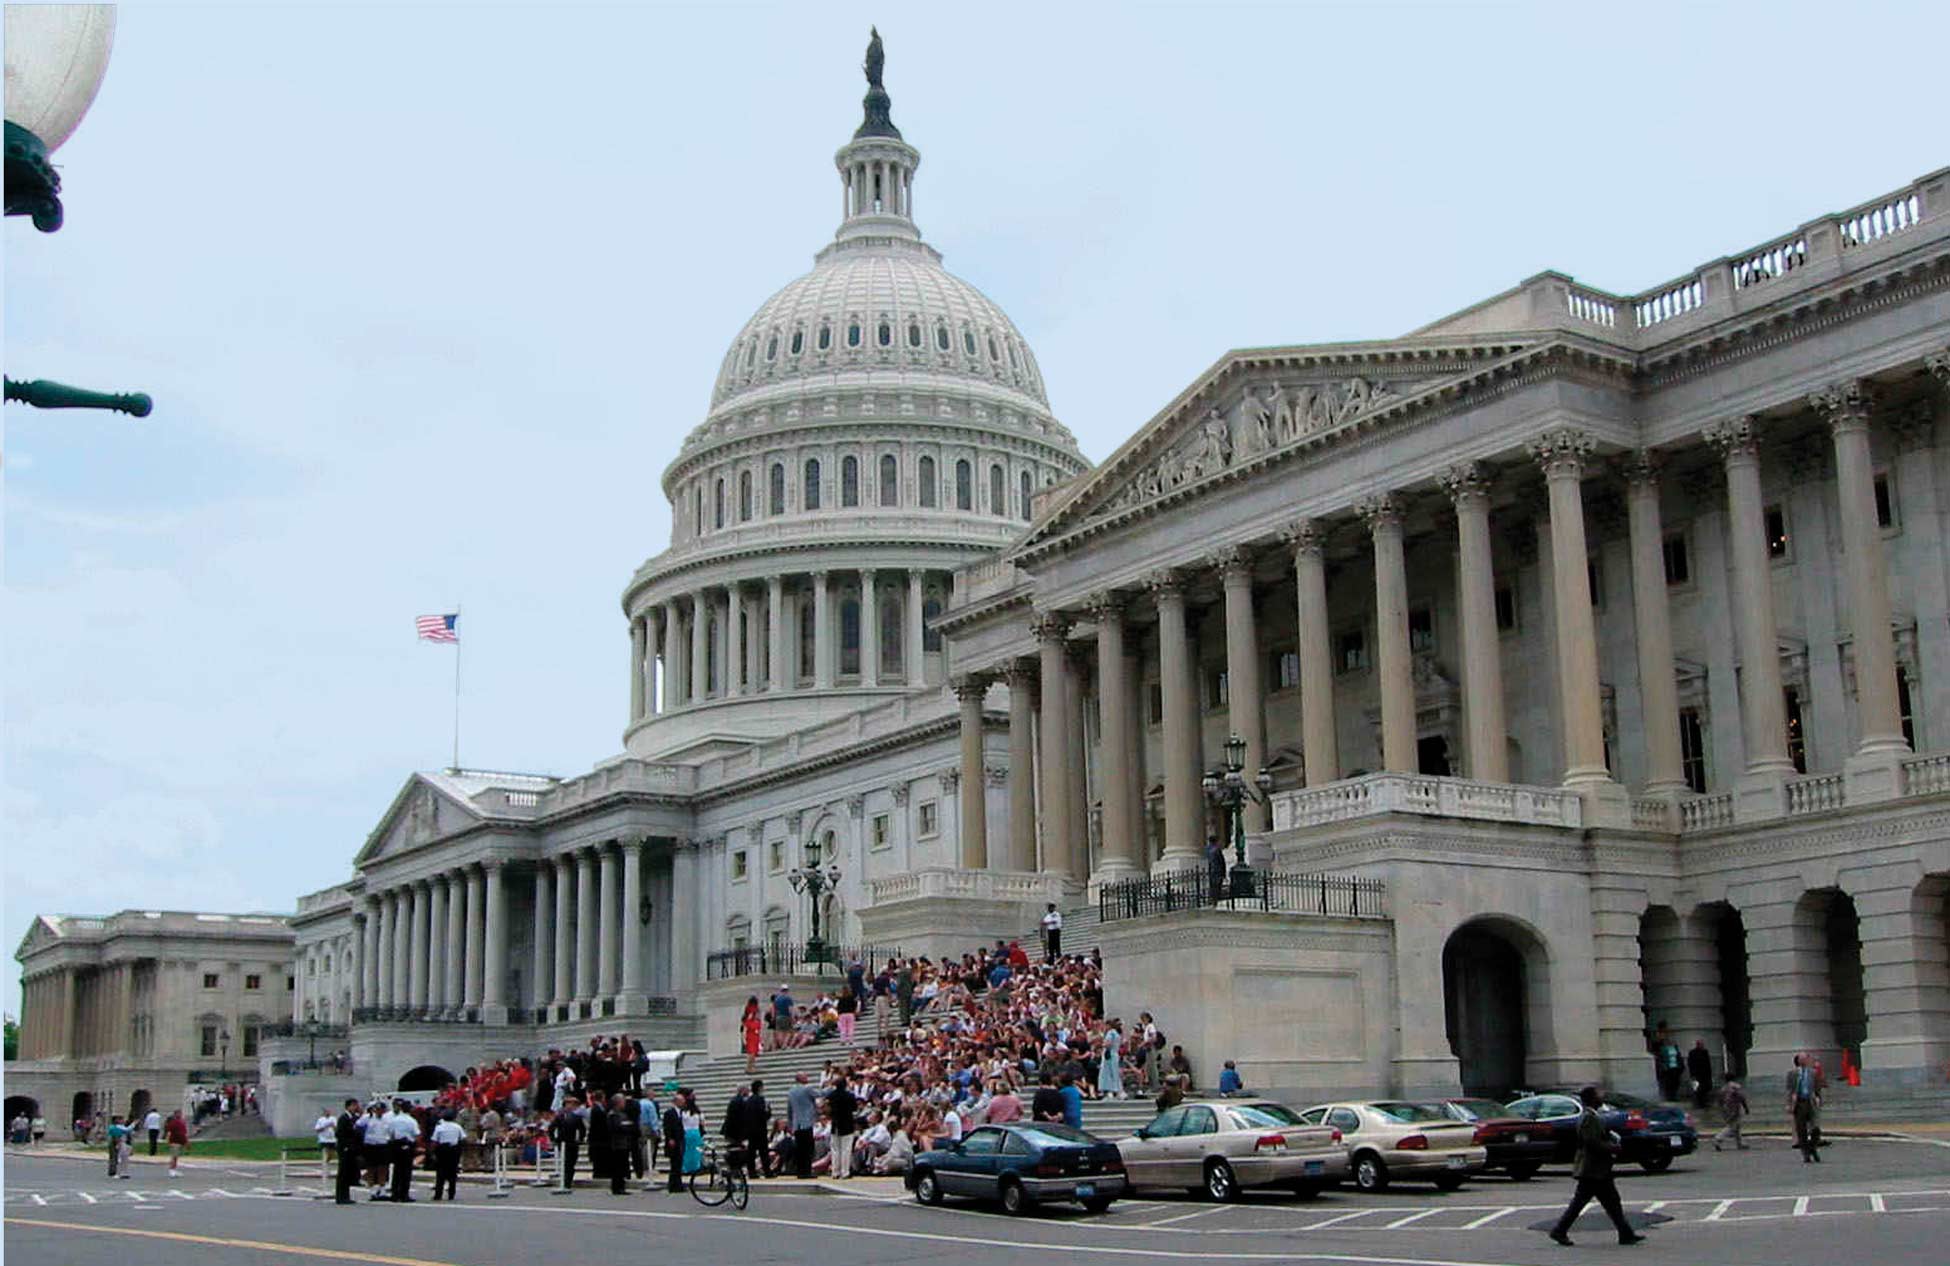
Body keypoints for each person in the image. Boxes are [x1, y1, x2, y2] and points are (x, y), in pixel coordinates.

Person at [1548, 1086, 1646, 1247]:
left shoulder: (1593, 1116)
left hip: (1599, 1168)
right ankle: (1559, 1230)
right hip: (1592, 1169)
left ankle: (1626, 1233)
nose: (1602, 1097)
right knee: (1581, 1202)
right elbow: (1591, 1142)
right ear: (1592, 1099)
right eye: (1599, 1095)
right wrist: (1612, 1147)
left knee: (1612, 1202)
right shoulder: (1588, 1117)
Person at [1786, 1052, 1825, 1162]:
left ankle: (1812, 1147)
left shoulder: (1813, 1073)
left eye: (1807, 1058)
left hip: (1810, 1101)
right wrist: (1789, 1104)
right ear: (1798, 1061)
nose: (1806, 1060)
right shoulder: (1792, 1074)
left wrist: (1819, 1099)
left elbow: (1817, 1088)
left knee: (1815, 1128)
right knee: (1801, 1129)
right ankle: (1805, 1153)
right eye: (1803, 1058)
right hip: (1799, 1102)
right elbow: (1789, 1090)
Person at [387, 1099, 421, 1202]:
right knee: (406, 1171)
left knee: (397, 1170)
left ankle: (395, 1193)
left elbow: (390, 1133)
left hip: (396, 1144)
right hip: (407, 1144)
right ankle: (404, 1194)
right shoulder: (411, 1120)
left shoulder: (394, 1120)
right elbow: (416, 1134)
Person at [551, 1095, 585, 1190]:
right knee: (566, 1162)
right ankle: (566, 1182)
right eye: (569, 1104)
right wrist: (554, 1139)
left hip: (572, 1143)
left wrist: (580, 1139)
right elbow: (552, 1128)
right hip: (563, 1142)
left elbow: (582, 1129)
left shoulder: (576, 1117)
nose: (571, 1106)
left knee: (571, 1162)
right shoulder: (559, 1117)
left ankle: (568, 1180)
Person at [788, 1072, 818, 1179]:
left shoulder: (791, 1092)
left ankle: (800, 1171)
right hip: (806, 1122)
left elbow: (790, 1110)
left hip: (797, 1124)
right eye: (805, 1076)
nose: (807, 1078)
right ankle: (807, 1171)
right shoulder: (807, 1089)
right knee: (808, 1148)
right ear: (801, 1079)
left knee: (799, 1149)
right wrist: (831, 1087)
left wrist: (790, 1124)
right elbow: (819, 1094)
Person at [606, 1094, 638, 1195]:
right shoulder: (613, 1114)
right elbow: (617, 1127)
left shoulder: (622, 1114)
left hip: (624, 1143)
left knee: (623, 1165)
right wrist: (626, 1126)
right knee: (617, 1166)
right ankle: (617, 1187)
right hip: (617, 1144)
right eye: (623, 1101)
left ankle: (621, 1185)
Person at [333, 1098, 363, 1204]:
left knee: (348, 1173)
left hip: (352, 1149)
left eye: (356, 1105)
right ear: (348, 1106)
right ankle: (341, 1196)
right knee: (343, 1173)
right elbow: (339, 1134)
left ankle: (346, 1195)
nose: (356, 1107)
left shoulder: (354, 1118)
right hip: (345, 1148)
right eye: (354, 1105)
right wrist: (346, 1145)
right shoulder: (343, 1118)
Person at [828, 1074, 858, 1179]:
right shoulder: (850, 1096)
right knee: (846, 1149)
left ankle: (835, 1171)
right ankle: (845, 1171)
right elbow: (855, 1108)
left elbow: (828, 1108)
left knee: (835, 1149)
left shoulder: (831, 1095)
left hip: (835, 1123)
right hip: (847, 1124)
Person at [430, 1111, 464, 1201]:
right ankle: (451, 1194)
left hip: (442, 1150)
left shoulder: (439, 1127)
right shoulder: (457, 1127)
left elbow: (434, 1141)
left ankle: (438, 1194)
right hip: (453, 1150)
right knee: (452, 1173)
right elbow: (462, 1138)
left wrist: (432, 1152)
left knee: (440, 1173)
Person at [1712, 1077, 1750, 1151]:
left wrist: (1721, 1108)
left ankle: (1740, 1143)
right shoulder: (1735, 1086)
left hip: (1726, 1109)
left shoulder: (1723, 1088)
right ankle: (1718, 1139)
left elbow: (1719, 1099)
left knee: (1737, 1127)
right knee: (1731, 1127)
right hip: (1735, 1108)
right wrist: (1746, 1108)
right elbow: (1741, 1097)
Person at [745, 1079, 772, 1177]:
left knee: (751, 1151)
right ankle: (767, 1171)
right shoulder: (760, 1100)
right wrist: (769, 1111)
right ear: (759, 1088)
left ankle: (751, 1171)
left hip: (751, 1130)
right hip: (760, 1129)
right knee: (763, 1151)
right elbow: (763, 1115)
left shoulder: (748, 1100)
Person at [661, 1093, 686, 1193]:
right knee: (674, 1164)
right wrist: (670, 1138)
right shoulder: (669, 1113)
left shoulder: (682, 1112)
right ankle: (673, 1185)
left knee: (679, 1164)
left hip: (680, 1140)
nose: (683, 1102)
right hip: (673, 1141)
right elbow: (666, 1127)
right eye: (681, 1101)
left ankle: (678, 1184)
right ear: (676, 1102)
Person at [1652, 1023, 1682, 1101]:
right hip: (1666, 1068)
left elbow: (1678, 1055)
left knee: (1675, 1083)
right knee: (1668, 1083)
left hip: (1675, 1067)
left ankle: (1673, 1096)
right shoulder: (1659, 1044)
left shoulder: (1673, 1046)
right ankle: (1668, 1096)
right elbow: (1657, 1053)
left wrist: (1680, 1066)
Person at [1098, 1019, 1125, 1099]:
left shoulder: (1110, 1033)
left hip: (1109, 1055)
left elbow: (1108, 1044)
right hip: (1115, 1054)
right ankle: (1117, 1089)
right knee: (1114, 1072)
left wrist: (1101, 1044)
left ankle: (1110, 1089)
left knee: (1107, 1072)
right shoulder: (1117, 1034)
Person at [1687, 1039, 1714, 1109]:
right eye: (1701, 1044)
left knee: (1705, 1089)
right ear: (1697, 1045)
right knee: (1697, 1089)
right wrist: (1692, 1074)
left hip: (1705, 1075)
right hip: (1696, 1074)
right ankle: (1698, 1103)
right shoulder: (1692, 1053)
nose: (1702, 1046)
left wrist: (1710, 1074)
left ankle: (1704, 1103)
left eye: (1702, 1044)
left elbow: (1708, 1064)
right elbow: (1690, 1064)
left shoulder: (1705, 1052)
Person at [163, 1109, 189, 1177]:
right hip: (174, 1142)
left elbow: (184, 1133)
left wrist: (186, 1142)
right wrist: (168, 1141)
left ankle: (174, 1169)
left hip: (180, 1142)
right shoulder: (173, 1123)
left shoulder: (182, 1123)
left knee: (176, 1157)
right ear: (175, 1114)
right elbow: (169, 1133)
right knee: (174, 1156)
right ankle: (171, 1170)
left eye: (180, 1113)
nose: (180, 1115)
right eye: (179, 1113)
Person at [742, 997, 763, 1073]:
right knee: (752, 1053)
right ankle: (749, 1067)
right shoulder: (752, 1011)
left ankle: (752, 1067)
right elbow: (747, 1024)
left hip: (754, 1035)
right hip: (751, 1035)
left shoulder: (755, 1018)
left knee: (754, 1053)